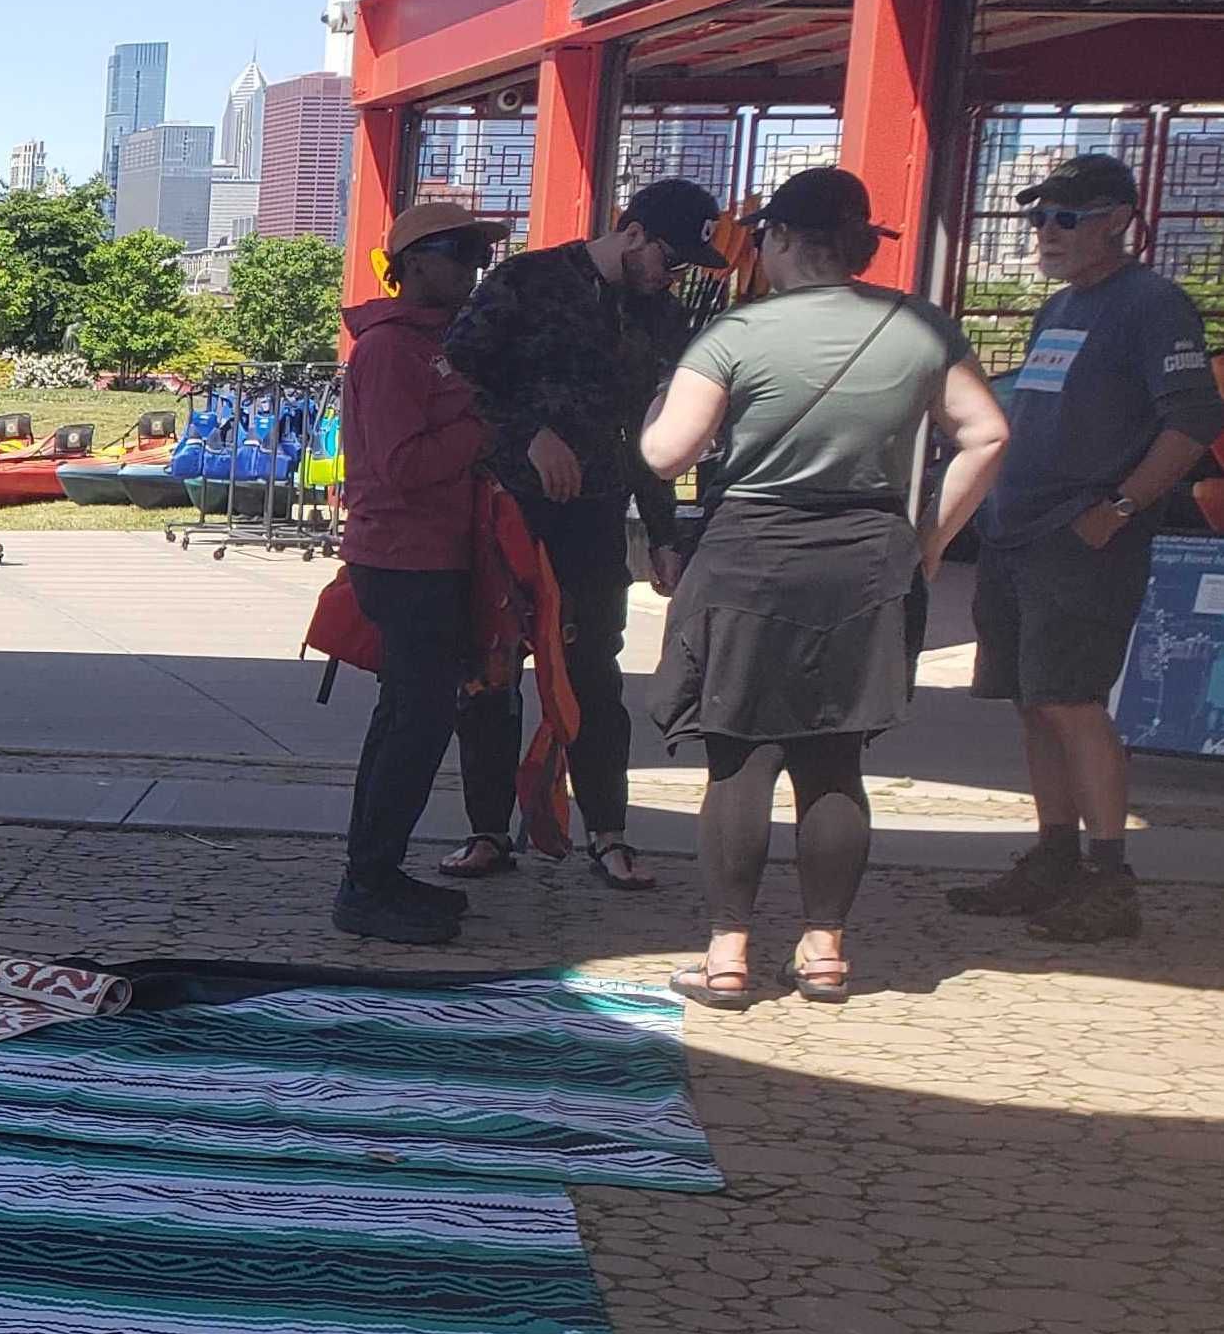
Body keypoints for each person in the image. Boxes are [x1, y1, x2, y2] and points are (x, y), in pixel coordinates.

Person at [639, 168, 1007, 1006]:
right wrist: (928, 540)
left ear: (774, 240)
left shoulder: (737, 332)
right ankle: (824, 951)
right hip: (868, 553)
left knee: (738, 755)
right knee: (833, 757)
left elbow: (667, 454)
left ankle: (727, 953)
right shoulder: (920, 326)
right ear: (855, 243)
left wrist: (659, 405)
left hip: (751, 551)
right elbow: (986, 432)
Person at [944, 151, 1224, 941]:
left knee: (1072, 701)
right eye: (1037, 217)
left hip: (1083, 540)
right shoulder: (1057, 308)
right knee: (1034, 701)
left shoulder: (1151, 304)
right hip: (1016, 537)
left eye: (1064, 217)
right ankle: (1053, 857)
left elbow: (1193, 418)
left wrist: (1122, 504)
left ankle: (1110, 878)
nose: (1045, 232)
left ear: (1115, 221)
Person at [437, 178, 718, 892]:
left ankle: (608, 832)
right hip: (508, 505)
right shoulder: (524, 281)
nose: (669, 274)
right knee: (490, 671)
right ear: (630, 232)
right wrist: (528, 435)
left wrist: (662, 530)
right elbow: (453, 374)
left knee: (594, 674)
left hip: (595, 514)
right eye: (667, 257)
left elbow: (650, 429)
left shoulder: (656, 315)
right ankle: (486, 830)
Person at [330, 201, 498, 945]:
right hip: (404, 563)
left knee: (408, 722)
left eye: (477, 255)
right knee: (413, 726)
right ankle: (365, 886)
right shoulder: (392, 351)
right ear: (414, 263)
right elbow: (401, 466)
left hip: (433, 560)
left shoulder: (440, 344)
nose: (471, 268)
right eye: (459, 252)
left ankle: (377, 872)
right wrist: (482, 424)